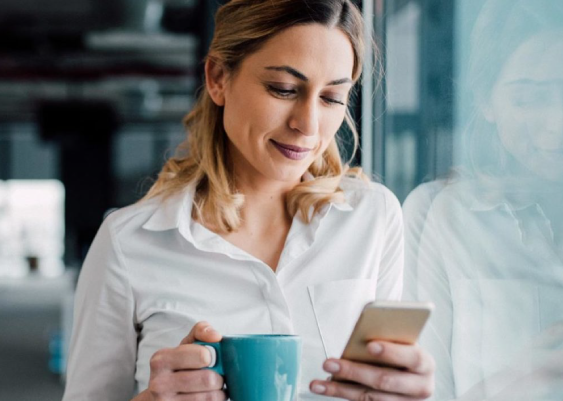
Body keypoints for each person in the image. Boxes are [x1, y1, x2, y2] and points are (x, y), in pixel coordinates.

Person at [63, 0, 435, 400]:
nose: (307, 125)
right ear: (218, 78)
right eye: (284, 89)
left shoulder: (372, 216)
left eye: (331, 98)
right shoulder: (128, 243)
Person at [403, 0, 563, 399]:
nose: (561, 125)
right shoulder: (441, 214)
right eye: (528, 99)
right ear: (485, 100)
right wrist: (526, 380)